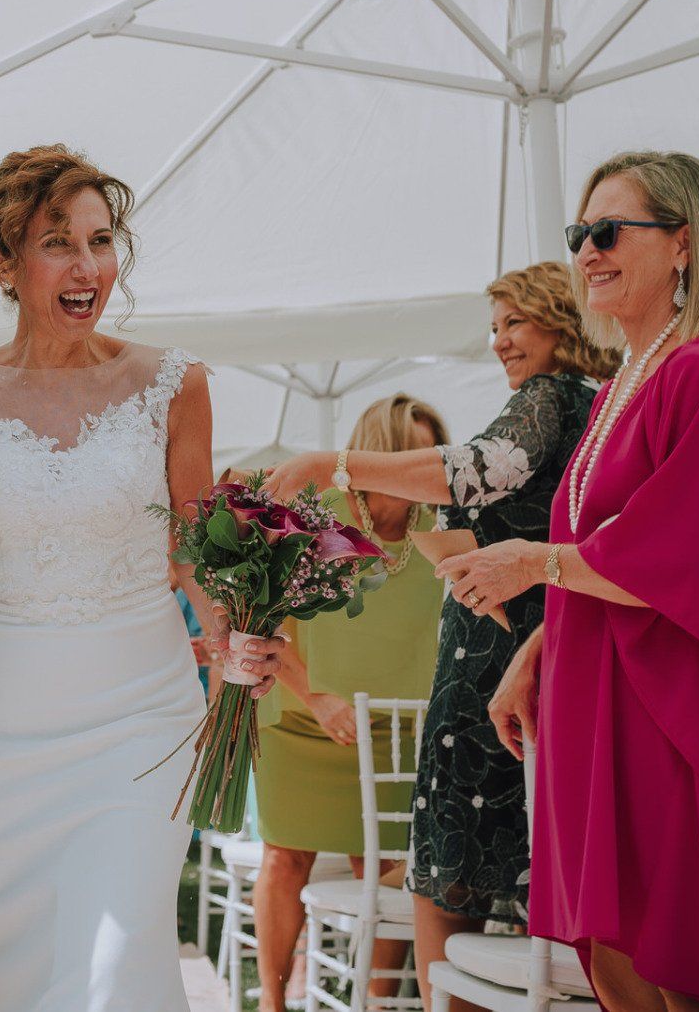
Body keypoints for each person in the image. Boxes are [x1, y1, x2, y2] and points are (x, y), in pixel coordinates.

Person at [450, 149, 699, 1008]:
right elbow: (607, 541)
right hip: (599, 688)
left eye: (609, 231)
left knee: (682, 954)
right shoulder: (628, 378)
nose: (587, 251)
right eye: (579, 233)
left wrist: (529, 563)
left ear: (683, 243)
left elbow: (688, 552)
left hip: (673, 698)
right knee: (615, 952)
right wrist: (538, 648)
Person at [260, 260, 613, 1009]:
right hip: (543, 655)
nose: (499, 341)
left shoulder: (549, 398)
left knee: (450, 886)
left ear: (560, 319)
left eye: (515, 322)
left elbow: (473, 469)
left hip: (494, 672)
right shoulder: (601, 407)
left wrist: (334, 462)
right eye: (495, 326)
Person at [0, 143, 220, 1011]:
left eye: (101, 239)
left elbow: (196, 551)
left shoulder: (174, 384)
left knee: (118, 958)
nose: (88, 267)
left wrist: (237, 636)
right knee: (18, 968)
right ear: (2, 263)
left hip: (144, 716)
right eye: (58, 243)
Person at [250, 395, 446, 1012]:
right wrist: (318, 697)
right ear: (377, 452)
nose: (422, 468)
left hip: (391, 731)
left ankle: (377, 1005)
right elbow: (262, 621)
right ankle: (272, 1004)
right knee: (286, 860)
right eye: (411, 453)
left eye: (432, 455)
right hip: (298, 719)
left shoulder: (441, 530)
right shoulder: (316, 516)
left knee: (384, 868)